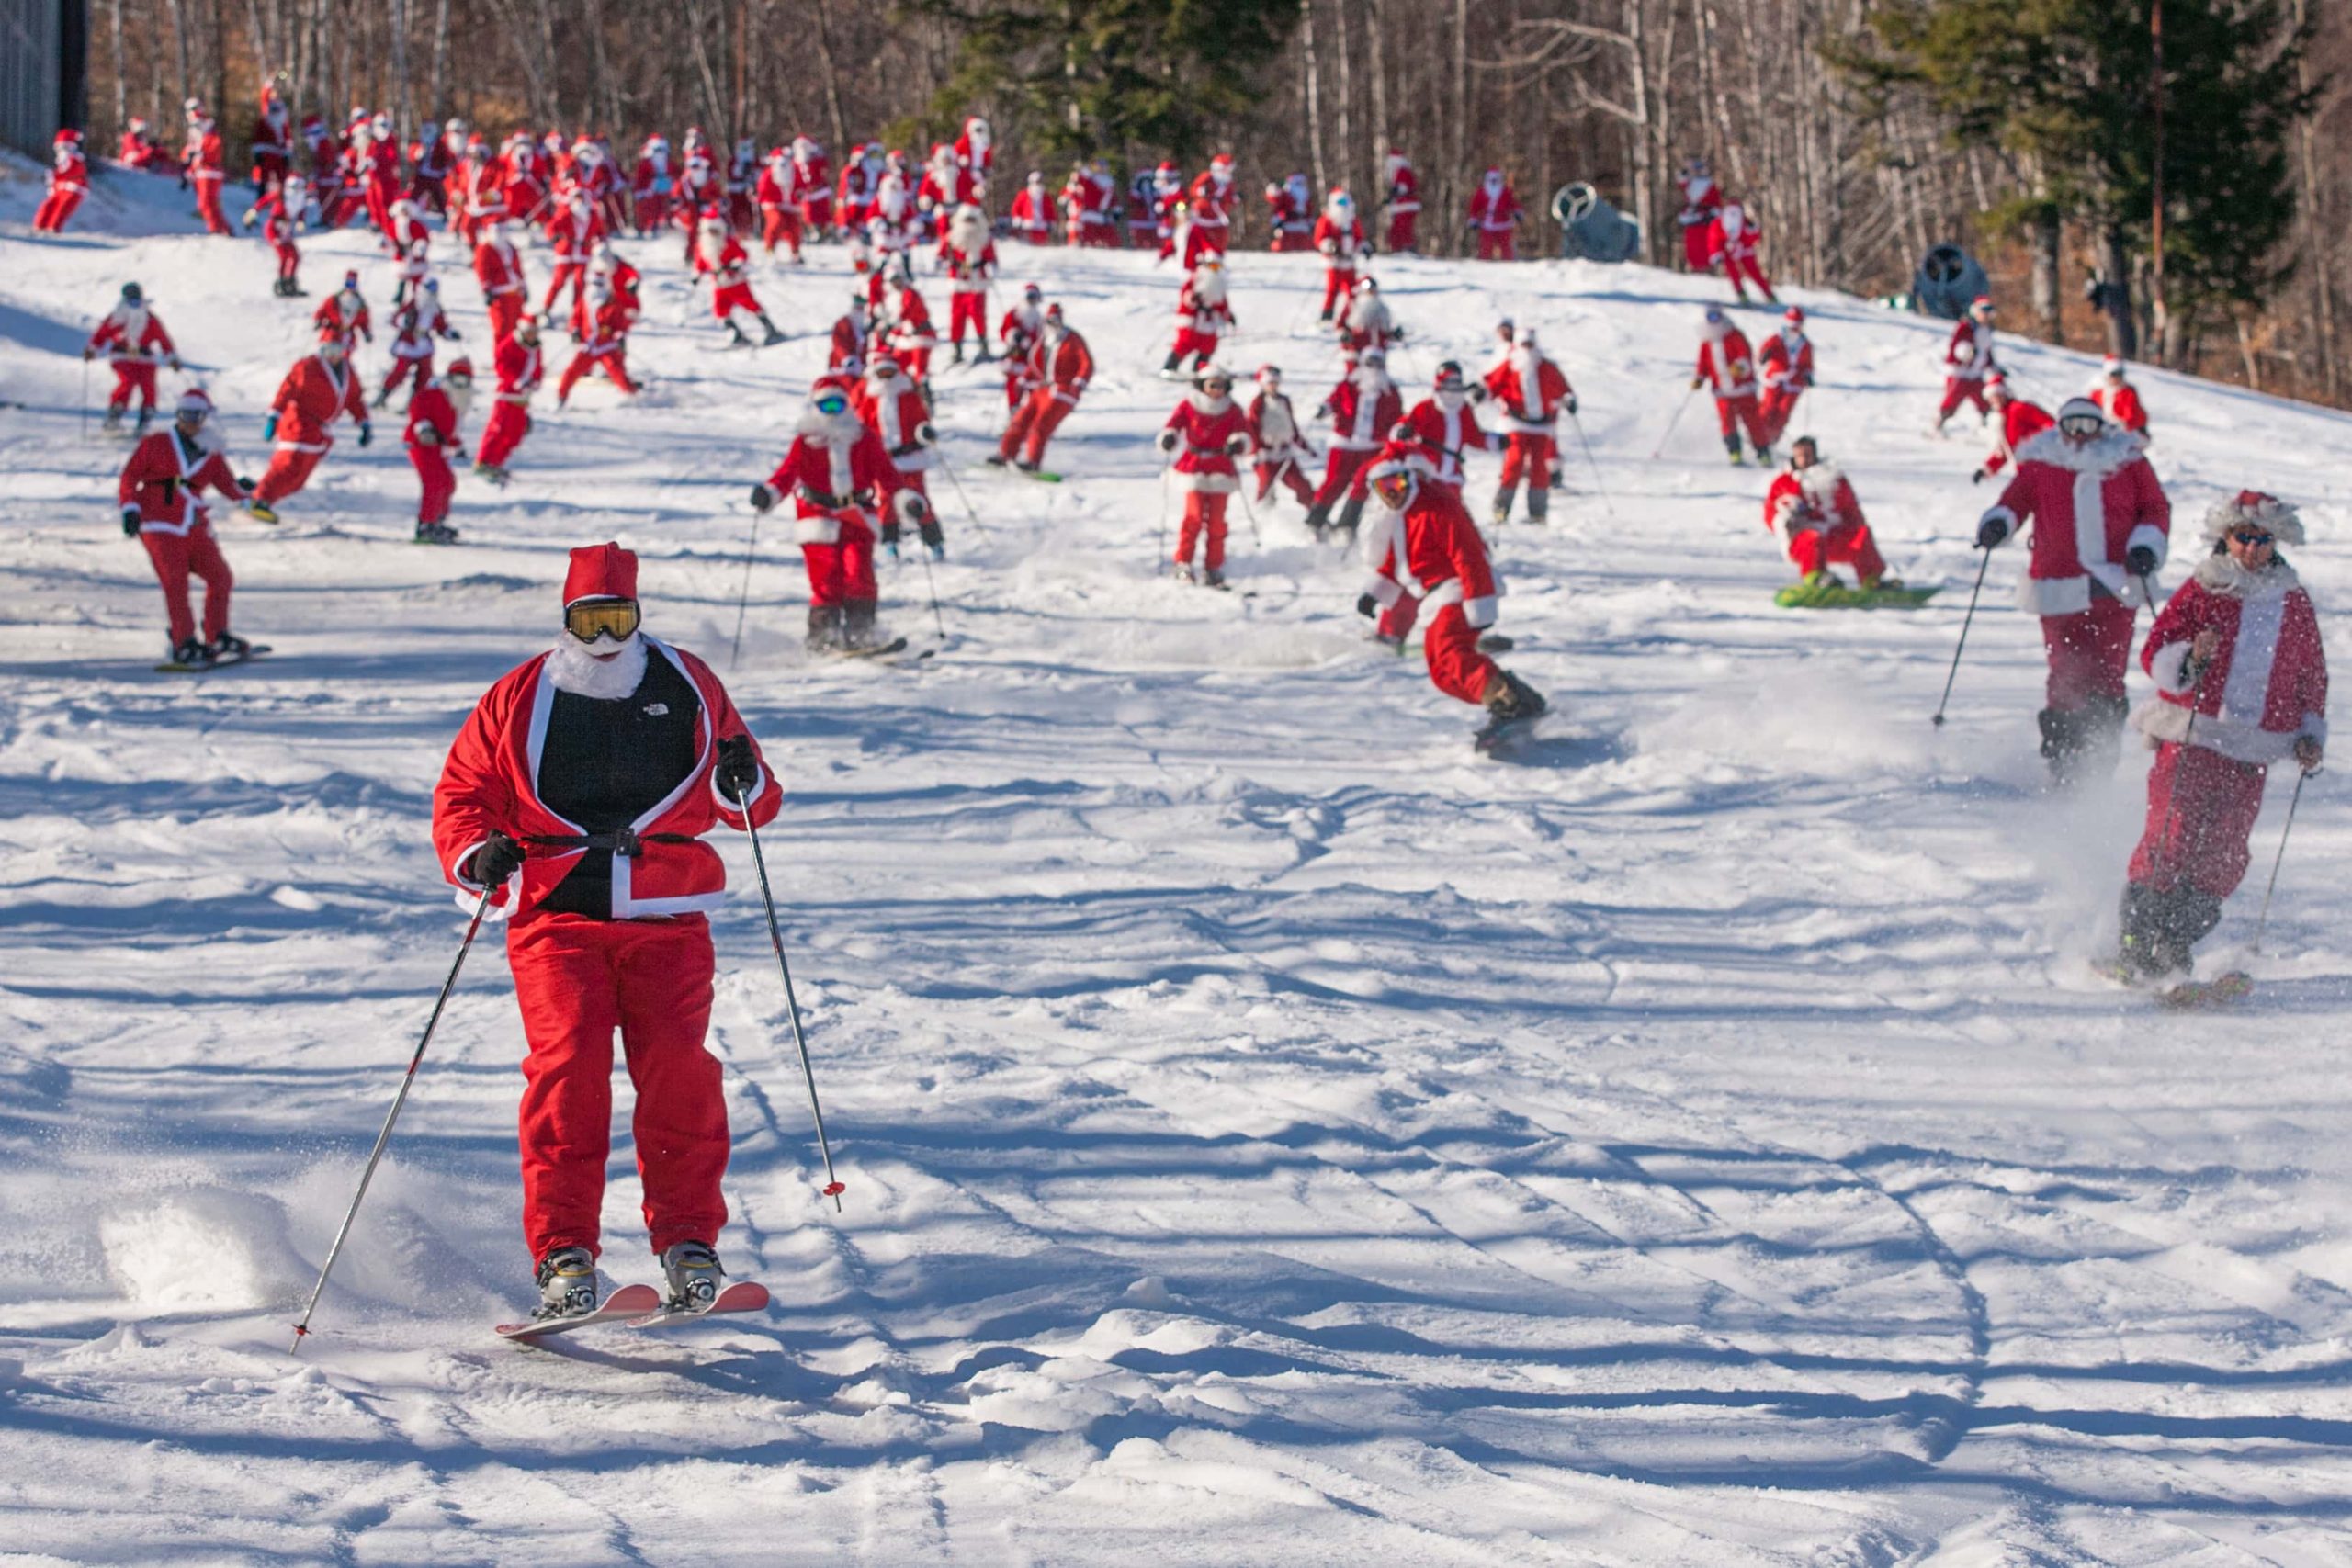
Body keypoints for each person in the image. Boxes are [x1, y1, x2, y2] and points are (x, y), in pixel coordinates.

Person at [431, 542, 784, 1320]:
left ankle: (690, 1242)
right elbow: (464, 789)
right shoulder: (522, 694)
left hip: (667, 916)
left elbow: (752, 800)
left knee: (681, 1074)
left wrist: (741, 777)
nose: (603, 639)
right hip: (557, 916)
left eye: (617, 619)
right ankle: (563, 1253)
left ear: (638, 615)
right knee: (568, 1071)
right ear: (565, 619)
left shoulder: (687, 681)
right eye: (588, 621)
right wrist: (474, 852)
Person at [2113, 491, 2325, 979]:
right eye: (2243, 537)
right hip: (2194, 735)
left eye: (2262, 539)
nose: (2252, 548)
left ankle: (2174, 942)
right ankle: (2135, 938)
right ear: (2226, 537)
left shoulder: (2292, 601)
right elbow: (2157, 651)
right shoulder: (2205, 588)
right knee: (2173, 834)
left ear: (2277, 542)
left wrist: (2309, 729)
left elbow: (2311, 672)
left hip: (2254, 744)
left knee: (2225, 852)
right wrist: (2192, 658)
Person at [1975, 397, 2173, 783]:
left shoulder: (2128, 461)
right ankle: (2064, 757)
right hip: (2058, 587)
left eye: (2088, 426)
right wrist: (1999, 523)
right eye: (2072, 426)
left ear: (2102, 426)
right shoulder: (2041, 465)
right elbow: (2013, 502)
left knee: (2106, 671)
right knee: (2065, 671)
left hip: (2115, 587)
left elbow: (2154, 508)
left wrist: (2146, 545)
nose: (2080, 436)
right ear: (2059, 428)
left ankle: (2100, 752)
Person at [1355, 442, 1546, 724]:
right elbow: (1399, 562)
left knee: (1451, 650)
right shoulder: (1401, 518)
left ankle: (1507, 700)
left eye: (1398, 482)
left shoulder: (1437, 506)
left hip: (1459, 589)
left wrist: (1479, 605)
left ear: (1410, 478)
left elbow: (1468, 556)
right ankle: (1511, 696)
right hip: (1435, 596)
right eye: (1385, 488)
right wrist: (1374, 593)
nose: (1394, 492)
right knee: (1441, 674)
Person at [751, 374, 897, 650]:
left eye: (837, 406)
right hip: (816, 515)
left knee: (859, 574)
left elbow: (887, 474)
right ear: (815, 407)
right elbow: (786, 475)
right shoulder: (806, 441)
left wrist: (904, 500)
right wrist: (768, 493)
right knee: (826, 577)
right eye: (825, 406)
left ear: (847, 406)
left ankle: (861, 632)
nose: (832, 413)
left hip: (856, 515)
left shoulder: (863, 438)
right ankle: (823, 636)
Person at [118, 387, 254, 665]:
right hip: (158, 522)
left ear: (205, 418)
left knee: (220, 577)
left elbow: (228, 486)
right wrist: (130, 508)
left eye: (196, 415)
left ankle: (217, 633)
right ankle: (184, 641)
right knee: (175, 581)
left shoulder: (211, 452)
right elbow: (130, 477)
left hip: (192, 523)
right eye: (184, 414)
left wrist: (250, 492)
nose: (189, 421)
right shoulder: (156, 443)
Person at [1764, 437, 1899, 604]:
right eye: (1799, 455)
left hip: (1832, 535)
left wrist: (1855, 531)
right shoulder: (1783, 483)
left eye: (1807, 454)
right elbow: (1770, 513)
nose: (1804, 459)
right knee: (1812, 537)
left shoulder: (1833, 478)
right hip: (1802, 540)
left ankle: (1871, 579)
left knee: (1861, 534)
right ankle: (1816, 578)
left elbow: (1851, 509)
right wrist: (1784, 521)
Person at [250, 336, 371, 521]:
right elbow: (286, 390)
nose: (333, 356)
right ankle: (260, 499)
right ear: (321, 350)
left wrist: (363, 423)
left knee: (299, 479)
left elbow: (354, 399)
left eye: (337, 351)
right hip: (298, 424)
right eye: (328, 351)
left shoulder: (347, 372)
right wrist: (274, 416)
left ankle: (257, 492)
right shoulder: (307, 367)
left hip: (319, 431)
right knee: (288, 465)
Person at [1157, 366, 1252, 587]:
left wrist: (1238, 444)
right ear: (1202, 385)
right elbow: (1173, 425)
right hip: (1194, 467)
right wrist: (1168, 438)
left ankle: (1214, 566)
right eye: (1212, 385)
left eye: (1221, 385)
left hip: (1221, 467)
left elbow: (1246, 435)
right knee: (1194, 517)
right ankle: (1183, 562)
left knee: (1217, 522)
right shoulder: (1190, 405)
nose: (1217, 390)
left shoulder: (1232, 409)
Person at [850, 354, 944, 560]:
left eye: (889, 372)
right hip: (884, 460)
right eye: (882, 373)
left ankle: (934, 540)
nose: (886, 377)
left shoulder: (908, 395)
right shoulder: (870, 398)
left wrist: (924, 432)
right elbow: (861, 425)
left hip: (911, 457)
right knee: (885, 501)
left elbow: (921, 420)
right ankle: (890, 541)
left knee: (919, 499)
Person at [1304, 346, 1402, 540]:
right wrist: (1323, 409)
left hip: (1373, 447)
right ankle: (1315, 521)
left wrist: (1399, 434)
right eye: (1369, 363)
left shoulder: (1390, 392)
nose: (1373, 368)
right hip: (1344, 444)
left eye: (1377, 364)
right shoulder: (1347, 386)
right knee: (1334, 482)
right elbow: (1333, 401)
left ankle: (1347, 525)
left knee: (1363, 484)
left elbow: (1397, 418)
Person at [1482, 328, 1573, 525]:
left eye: (1530, 345)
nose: (1527, 349)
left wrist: (1568, 400)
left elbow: (1563, 389)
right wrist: (1480, 393)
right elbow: (1491, 386)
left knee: (1540, 467)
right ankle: (1501, 508)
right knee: (1514, 462)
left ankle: (1538, 512)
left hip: (1541, 425)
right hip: (1516, 422)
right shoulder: (1509, 366)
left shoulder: (1546, 367)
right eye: (1523, 345)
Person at [990, 304, 1092, 474]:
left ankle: (1033, 461)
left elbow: (1086, 363)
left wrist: (1078, 383)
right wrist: (1024, 379)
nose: (1052, 325)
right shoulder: (1044, 341)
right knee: (1020, 420)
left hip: (1062, 391)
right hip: (1042, 389)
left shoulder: (1072, 339)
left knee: (1040, 425)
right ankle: (1006, 454)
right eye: (1049, 321)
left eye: (1055, 321)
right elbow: (1035, 364)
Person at [84, 283, 183, 436]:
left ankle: (145, 420)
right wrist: (92, 350)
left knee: (148, 385)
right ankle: (114, 417)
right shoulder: (116, 318)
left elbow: (164, 340)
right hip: (122, 355)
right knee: (127, 381)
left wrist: (171, 358)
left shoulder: (150, 319)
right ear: (125, 300)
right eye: (132, 301)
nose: (135, 304)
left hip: (145, 358)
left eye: (137, 300)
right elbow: (101, 335)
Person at [1394, 362, 1495, 496]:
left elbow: (1473, 436)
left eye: (1456, 382)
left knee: (1452, 513)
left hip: (1452, 476)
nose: (1452, 388)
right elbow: (1405, 424)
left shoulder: (1464, 410)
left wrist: (1495, 441)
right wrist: (1402, 430)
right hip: (1425, 474)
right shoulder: (1426, 408)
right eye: (1448, 382)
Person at [405, 355, 473, 544]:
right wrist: (424, 428)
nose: (460, 384)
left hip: (438, 447)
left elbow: (451, 428)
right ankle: (426, 525)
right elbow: (418, 408)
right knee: (434, 483)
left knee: (448, 482)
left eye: (464, 379)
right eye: (457, 378)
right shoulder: (436, 392)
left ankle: (437, 520)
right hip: (422, 444)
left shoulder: (461, 399)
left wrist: (456, 445)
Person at [695, 211, 785, 347]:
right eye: (709, 230)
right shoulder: (703, 246)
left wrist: (737, 263)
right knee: (720, 310)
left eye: (715, 230)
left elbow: (742, 254)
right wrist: (697, 276)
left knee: (751, 305)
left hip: (736, 282)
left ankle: (770, 329)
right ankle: (735, 333)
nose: (712, 233)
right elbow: (700, 264)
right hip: (719, 284)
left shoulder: (729, 242)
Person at [473, 315, 545, 486]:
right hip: (506, 396)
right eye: (529, 332)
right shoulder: (511, 344)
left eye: (534, 332)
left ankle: (496, 463)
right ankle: (483, 462)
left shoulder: (536, 349)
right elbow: (501, 365)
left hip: (522, 399)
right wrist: (516, 380)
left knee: (515, 434)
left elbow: (538, 368)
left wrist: (535, 382)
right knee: (498, 430)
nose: (531, 335)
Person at [1693, 307, 1770, 465]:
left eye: (1716, 316)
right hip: (1722, 390)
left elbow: (1745, 354)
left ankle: (1763, 451)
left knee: (1752, 421)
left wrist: (1740, 367)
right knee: (1727, 422)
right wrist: (1699, 377)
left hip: (1743, 389)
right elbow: (1703, 362)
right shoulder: (1707, 340)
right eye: (1710, 317)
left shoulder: (1734, 335)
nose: (1714, 320)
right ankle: (1734, 451)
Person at [556, 275, 640, 407]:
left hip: (606, 346)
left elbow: (620, 324)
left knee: (617, 371)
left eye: (600, 285)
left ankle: (633, 396)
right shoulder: (584, 301)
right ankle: (561, 397)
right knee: (571, 371)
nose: (596, 288)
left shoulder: (613, 302)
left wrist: (618, 335)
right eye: (594, 284)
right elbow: (575, 319)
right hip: (588, 346)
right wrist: (575, 330)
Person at [379, 276, 462, 408]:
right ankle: (383, 395)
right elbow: (396, 318)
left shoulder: (435, 308)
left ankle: (415, 402)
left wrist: (450, 333)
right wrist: (403, 321)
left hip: (424, 344)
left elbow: (442, 326)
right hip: (408, 343)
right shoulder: (413, 304)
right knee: (400, 371)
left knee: (425, 374)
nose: (432, 293)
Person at [1248, 365, 1317, 508]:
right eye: (1270, 383)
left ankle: (1314, 512)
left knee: (1301, 484)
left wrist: (1306, 448)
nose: (1273, 386)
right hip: (1266, 454)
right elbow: (1252, 428)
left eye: (1275, 383)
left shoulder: (1284, 401)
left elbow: (1292, 427)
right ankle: (1264, 516)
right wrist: (1253, 452)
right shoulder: (1258, 403)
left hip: (1284, 453)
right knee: (1266, 484)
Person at [1973, 372, 2054, 483]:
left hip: (2043, 465)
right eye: (1990, 398)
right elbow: (2003, 450)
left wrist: (2041, 446)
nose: (1992, 400)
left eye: (1995, 396)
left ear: (2003, 394)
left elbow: (2051, 425)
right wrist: (1986, 469)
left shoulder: (2019, 408)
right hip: (2025, 472)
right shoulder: (2002, 419)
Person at [942, 204, 997, 364]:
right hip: (958, 282)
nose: (969, 223)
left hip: (977, 282)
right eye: (966, 220)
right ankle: (957, 349)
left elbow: (991, 257)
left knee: (978, 316)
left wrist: (991, 267)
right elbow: (942, 253)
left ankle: (983, 345)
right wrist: (940, 261)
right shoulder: (952, 238)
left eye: (972, 220)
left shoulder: (984, 238)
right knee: (957, 318)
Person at [241, 174, 311, 296]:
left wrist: (300, 221)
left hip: (285, 229)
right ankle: (281, 283)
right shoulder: (281, 195)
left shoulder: (300, 200)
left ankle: (291, 282)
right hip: (273, 228)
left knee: (295, 256)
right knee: (284, 255)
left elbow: (301, 211)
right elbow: (265, 200)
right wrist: (253, 211)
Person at [1938, 295, 1998, 434]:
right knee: (1953, 399)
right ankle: (1939, 424)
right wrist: (1967, 352)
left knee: (1984, 399)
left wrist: (1993, 367)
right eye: (1984, 311)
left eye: (1989, 312)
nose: (1987, 315)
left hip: (1976, 373)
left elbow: (1986, 351)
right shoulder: (1966, 326)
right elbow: (1957, 346)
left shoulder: (1986, 330)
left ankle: (1986, 425)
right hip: (1960, 372)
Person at [1166, 257, 1234, 378]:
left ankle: (1199, 369)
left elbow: (1222, 304)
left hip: (1209, 321)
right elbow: (1186, 294)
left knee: (1209, 344)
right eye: (1212, 266)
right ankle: (1170, 367)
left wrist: (1228, 316)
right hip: (1192, 320)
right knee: (1185, 343)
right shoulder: (1196, 279)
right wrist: (1192, 298)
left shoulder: (1218, 284)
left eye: (1217, 267)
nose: (1214, 270)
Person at [1756, 307, 1813, 449]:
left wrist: (1807, 375)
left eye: (1797, 326)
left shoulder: (1805, 344)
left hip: (1793, 383)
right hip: (1775, 379)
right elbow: (1764, 352)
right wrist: (1765, 356)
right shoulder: (1777, 339)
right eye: (1791, 326)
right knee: (1767, 409)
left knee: (1783, 412)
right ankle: (1758, 436)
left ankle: (1772, 440)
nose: (1794, 329)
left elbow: (1807, 364)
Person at [1312, 188, 1368, 321]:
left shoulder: (1353, 221)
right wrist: (1329, 246)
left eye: (1346, 202)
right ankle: (1327, 316)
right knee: (1332, 291)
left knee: (1353, 292)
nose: (1343, 206)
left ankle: (1349, 318)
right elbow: (1320, 239)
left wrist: (1364, 248)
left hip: (1349, 263)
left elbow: (1359, 238)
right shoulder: (1326, 220)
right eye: (1340, 202)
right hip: (1334, 263)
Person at [1709, 200, 1776, 303]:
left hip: (1745, 251)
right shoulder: (1719, 223)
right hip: (1728, 251)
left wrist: (1753, 229)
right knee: (1733, 273)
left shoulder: (1745, 222)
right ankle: (1741, 294)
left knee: (1754, 273)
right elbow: (1714, 238)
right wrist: (1716, 253)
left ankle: (1769, 295)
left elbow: (1755, 238)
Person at [474, 222, 528, 344]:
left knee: (517, 329)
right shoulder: (485, 249)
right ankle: (501, 359)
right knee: (502, 329)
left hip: (515, 293)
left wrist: (524, 287)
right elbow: (482, 270)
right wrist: (486, 290)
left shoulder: (510, 247)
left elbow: (518, 268)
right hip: (499, 296)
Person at [183, 104, 232, 234]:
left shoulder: (211, 135)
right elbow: (189, 156)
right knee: (207, 204)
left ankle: (216, 228)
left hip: (210, 173)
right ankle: (222, 228)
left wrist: (200, 154)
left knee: (206, 203)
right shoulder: (197, 140)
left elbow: (213, 151)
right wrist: (189, 172)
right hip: (201, 173)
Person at [998, 283, 1046, 411]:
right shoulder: (1014, 314)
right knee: (1013, 389)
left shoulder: (1039, 318)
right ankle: (1013, 415)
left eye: (1034, 297)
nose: (1031, 300)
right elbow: (1004, 332)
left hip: (1032, 362)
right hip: (1016, 359)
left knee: (1033, 390)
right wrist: (1012, 336)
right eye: (1029, 297)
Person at [1334, 276, 1400, 367]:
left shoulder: (1381, 308)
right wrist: (1345, 334)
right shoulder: (1353, 305)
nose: (1371, 292)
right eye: (1368, 289)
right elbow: (1341, 326)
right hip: (1356, 349)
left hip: (1377, 351)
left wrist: (1395, 334)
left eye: (1373, 288)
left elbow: (1386, 330)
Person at [34, 128, 88, 233]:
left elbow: (74, 172)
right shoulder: (62, 163)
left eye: (63, 147)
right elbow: (60, 175)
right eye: (58, 148)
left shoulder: (76, 160)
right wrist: (53, 184)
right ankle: (40, 227)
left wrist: (56, 176)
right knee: (48, 206)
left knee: (61, 210)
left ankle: (53, 230)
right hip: (60, 189)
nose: (60, 151)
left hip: (74, 190)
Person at [1676, 158, 1723, 273]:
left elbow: (1716, 203)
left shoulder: (1710, 186)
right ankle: (1693, 266)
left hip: (1705, 220)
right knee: (1692, 244)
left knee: (1704, 244)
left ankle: (1706, 267)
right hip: (1692, 218)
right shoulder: (1691, 184)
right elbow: (1682, 182)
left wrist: (1711, 213)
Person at [1464, 167, 1522, 260]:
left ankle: (1509, 264)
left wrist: (1517, 212)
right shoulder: (1481, 192)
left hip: (1504, 223)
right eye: (1492, 180)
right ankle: (1484, 265)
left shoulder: (1506, 192)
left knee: (1506, 247)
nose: (1494, 182)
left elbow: (1513, 203)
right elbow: (1474, 207)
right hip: (1487, 224)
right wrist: (1473, 219)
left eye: (1496, 180)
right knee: (1485, 247)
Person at [312, 270, 373, 354]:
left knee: (343, 357)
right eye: (348, 284)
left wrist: (366, 333)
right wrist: (318, 321)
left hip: (348, 336)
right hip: (333, 333)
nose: (350, 288)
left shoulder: (360, 304)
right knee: (328, 354)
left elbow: (364, 322)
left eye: (353, 285)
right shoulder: (334, 299)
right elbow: (323, 311)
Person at [2091, 355, 2151, 438]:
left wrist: (2122, 424)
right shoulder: (2097, 393)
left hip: (2125, 432)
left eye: (2120, 374)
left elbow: (2132, 415)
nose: (2117, 377)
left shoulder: (2128, 393)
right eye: (2114, 374)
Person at [1380, 151, 1419, 254]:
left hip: (1405, 205)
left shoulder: (1401, 171)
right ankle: (1400, 248)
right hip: (1404, 205)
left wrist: (1391, 197)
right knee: (1401, 228)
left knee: (1401, 228)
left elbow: (1401, 189)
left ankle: (1403, 249)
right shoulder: (1402, 171)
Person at [1264, 175, 1312, 253]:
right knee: (1283, 249)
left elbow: (1309, 210)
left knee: (1305, 251)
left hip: (1302, 227)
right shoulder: (1286, 194)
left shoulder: (1305, 197)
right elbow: (1275, 201)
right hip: (1287, 226)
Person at [1008, 172, 1055, 243]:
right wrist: (1017, 218)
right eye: (1036, 182)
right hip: (1027, 225)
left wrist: (1050, 221)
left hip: (1042, 226)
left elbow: (1050, 210)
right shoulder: (1023, 194)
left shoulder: (1046, 196)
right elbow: (1016, 207)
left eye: (1039, 182)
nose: (1038, 184)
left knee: (1041, 247)